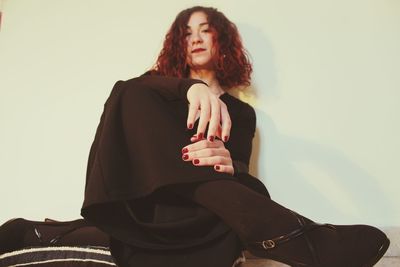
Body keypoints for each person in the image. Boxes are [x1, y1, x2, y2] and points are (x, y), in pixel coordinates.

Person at [0, 6, 390, 267]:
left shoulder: (241, 112)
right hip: (149, 202)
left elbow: (235, 167)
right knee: (129, 92)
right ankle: (294, 234)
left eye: (205, 30)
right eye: (187, 33)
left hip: (195, 215)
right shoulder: (153, 91)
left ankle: (35, 232)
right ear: (179, 44)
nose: (196, 38)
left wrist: (225, 163)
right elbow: (127, 115)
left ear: (221, 40)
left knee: (238, 194)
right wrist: (188, 88)